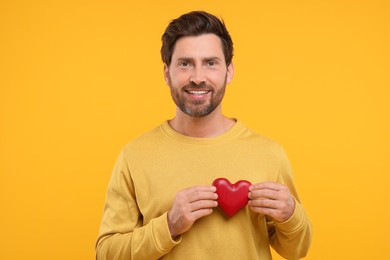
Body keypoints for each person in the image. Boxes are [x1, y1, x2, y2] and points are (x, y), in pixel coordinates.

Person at [96, 10, 312, 260]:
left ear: (228, 71)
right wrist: (169, 225)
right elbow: (105, 254)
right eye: (185, 64)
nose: (198, 78)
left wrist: (290, 214)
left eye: (210, 63)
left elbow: (297, 250)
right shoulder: (134, 156)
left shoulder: (269, 153)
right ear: (167, 73)